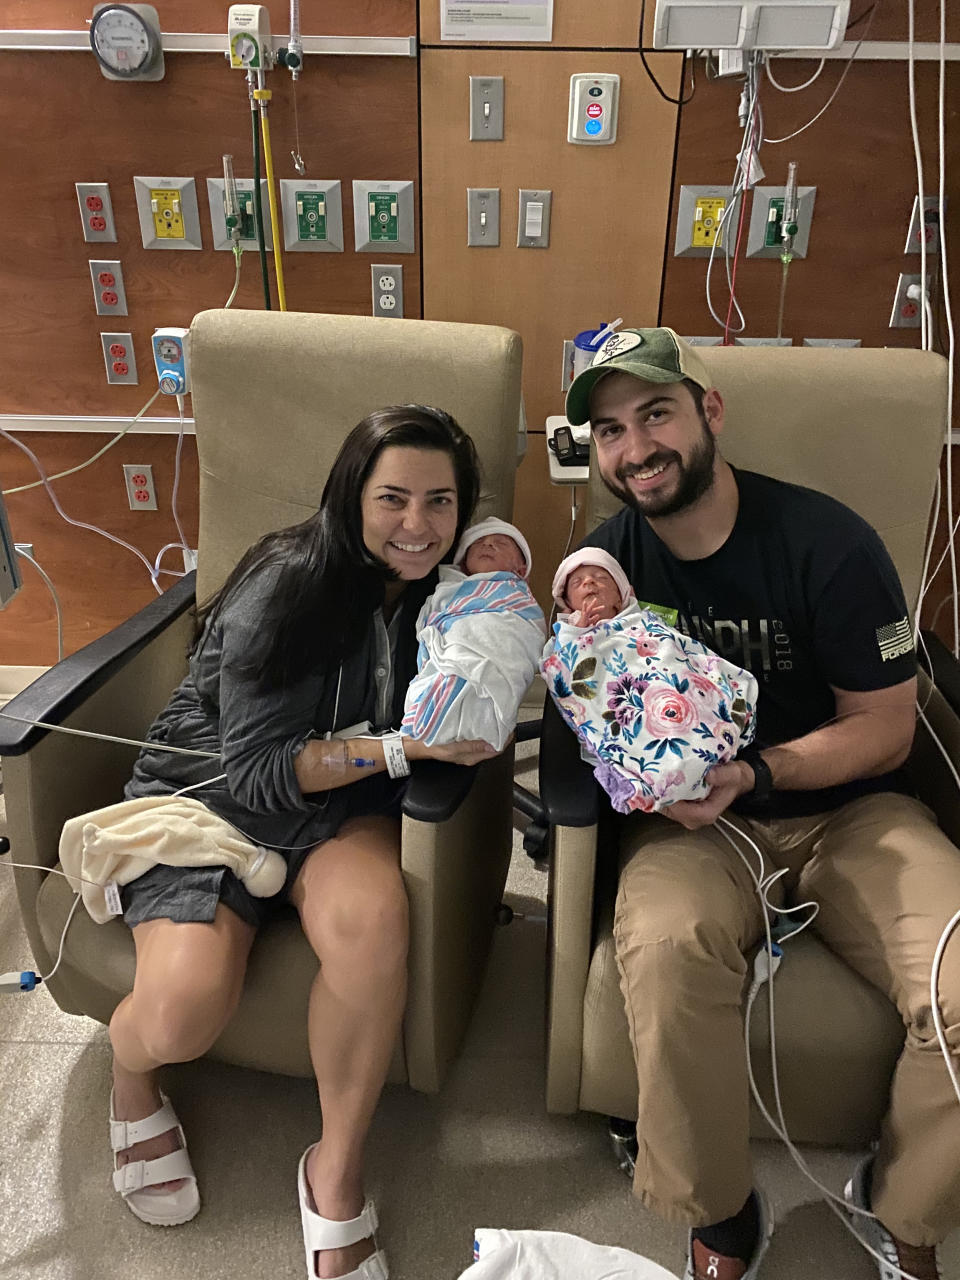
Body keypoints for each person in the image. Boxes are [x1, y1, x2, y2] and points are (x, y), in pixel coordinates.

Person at [561, 326, 959, 1280]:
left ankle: (905, 1207)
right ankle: (721, 1214)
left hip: (851, 811)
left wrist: (758, 772)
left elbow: (887, 726)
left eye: (655, 412)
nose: (636, 447)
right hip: (694, 831)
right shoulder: (603, 573)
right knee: (662, 951)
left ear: (710, 412)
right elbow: (590, 711)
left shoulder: (828, 542)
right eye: (609, 431)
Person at [107, 405, 496, 1280]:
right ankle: (129, 1078)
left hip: (342, 804)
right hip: (215, 793)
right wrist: (404, 747)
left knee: (374, 924)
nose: (417, 526)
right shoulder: (288, 581)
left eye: (442, 503)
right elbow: (255, 772)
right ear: (351, 495)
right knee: (179, 1012)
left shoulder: (456, 589)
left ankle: (336, 1171)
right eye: (393, 498)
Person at [542, 547, 756, 815]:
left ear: (622, 597)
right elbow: (564, 668)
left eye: (600, 577)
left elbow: (673, 652)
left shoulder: (644, 621)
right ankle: (658, 770)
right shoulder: (570, 634)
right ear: (568, 603)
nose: (589, 582)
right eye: (578, 582)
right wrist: (577, 632)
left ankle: (699, 750)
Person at [401, 516, 546, 753]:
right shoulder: (449, 591)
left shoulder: (516, 596)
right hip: (449, 655)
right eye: (479, 543)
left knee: (476, 689)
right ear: (464, 563)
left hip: (496, 648)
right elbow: (432, 622)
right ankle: (432, 723)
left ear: (520, 569)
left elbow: (524, 632)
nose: (488, 544)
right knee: (433, 687)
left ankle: (458, 722)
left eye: (501, 543)